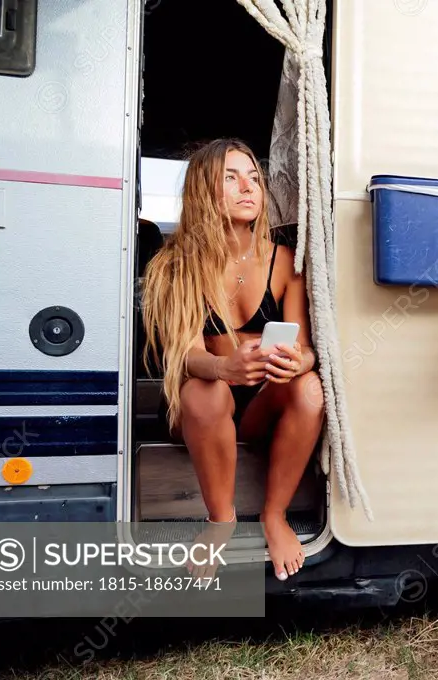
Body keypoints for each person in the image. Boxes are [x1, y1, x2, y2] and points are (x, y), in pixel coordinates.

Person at [141, 138, 323, 582]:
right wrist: (225, 368)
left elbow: (309, 348)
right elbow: (184, 354)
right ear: (204, 190)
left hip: (259, 407)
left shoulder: (287, 263)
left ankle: (274, 515)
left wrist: (294, 363)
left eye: (254, 177)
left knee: (310, 387)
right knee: (205, 392)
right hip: (199, 411)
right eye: (231, 177)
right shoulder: (174, 265)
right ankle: (221, 520)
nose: (248, 187)